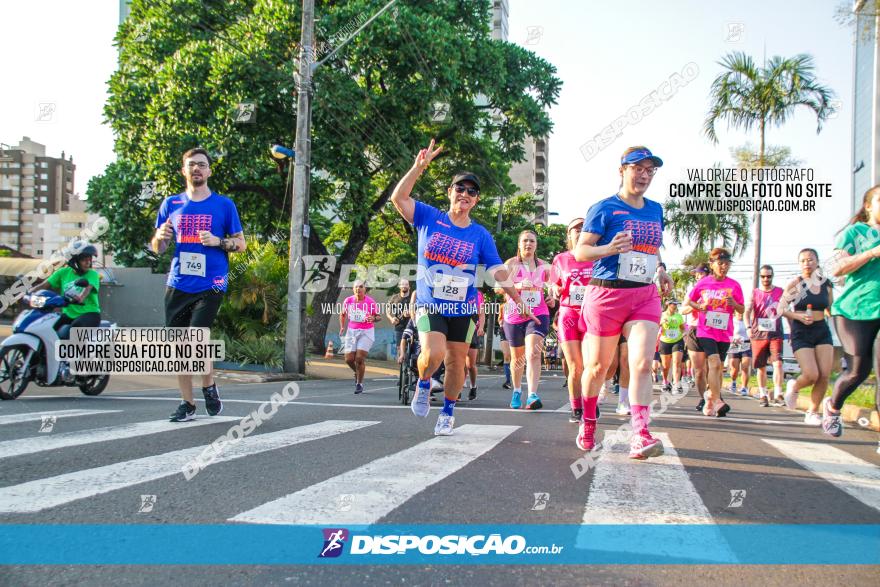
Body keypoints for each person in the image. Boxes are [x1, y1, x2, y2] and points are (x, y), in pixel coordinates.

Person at [389, 140, 537, 436]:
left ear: (476, 200)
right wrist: (418, 168)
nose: (465, 194)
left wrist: (518, 301)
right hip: (430, 303)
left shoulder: (480, 235)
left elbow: (498, 271)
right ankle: (422, 382)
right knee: (432, 354)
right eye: (460, 189)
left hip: (463, 308)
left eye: (472, 191)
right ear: (450, 193)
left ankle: (447, 412)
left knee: (457, 361)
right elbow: (398, 198)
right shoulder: (429, 217)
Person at [573, 146, 673, 459]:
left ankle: (640, 434)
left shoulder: (655, 209)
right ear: (622, 170)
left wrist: (661, 269)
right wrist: (608, 248)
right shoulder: (604, 208)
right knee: (599, 367)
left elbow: (652, 247)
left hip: (644, 295)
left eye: (649, 170)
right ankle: (588, 421)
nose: (644, 174)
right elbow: (581, 252)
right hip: (606, 295)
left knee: (642, 363)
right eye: (637, 168)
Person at [151, 148, 246, 422]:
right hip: (179, 282)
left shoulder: (224, 205)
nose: (197, 169)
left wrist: (219, 242)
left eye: (202, 165)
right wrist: (160, 237)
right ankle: (188, 403)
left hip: (212, 281)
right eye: (191, 165)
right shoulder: (171, 204)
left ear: (209, 171)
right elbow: (158, 248)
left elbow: (241, 244)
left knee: (196, 338)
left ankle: (207, 386)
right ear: (184, 170)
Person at [823, 185, 880, 437]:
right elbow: (836, 268)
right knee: (858, 370)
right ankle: (833, 407)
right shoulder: (856, 232)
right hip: (854, 312)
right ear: (868, 205)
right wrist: (871, 252)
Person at [686, 248, 744, 418]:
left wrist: (734, 303)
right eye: (720, 264)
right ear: (712, 264)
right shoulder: (703, 283)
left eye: (727, 264)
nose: (724, 267)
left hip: (725, 332)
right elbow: (691, 300)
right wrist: (699, 306)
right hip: (706, 330)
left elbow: (742, 308)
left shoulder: (734, 285)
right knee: (715, 362)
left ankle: (710, 400)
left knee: (718, 370)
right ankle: (718, 400)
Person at [501, 230, 554, 410]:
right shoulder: (511, 264)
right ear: (519, 244)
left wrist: (552, 296)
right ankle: (517, 390)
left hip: (538, 313)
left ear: (536, 245)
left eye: (532, 241)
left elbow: (553, 286)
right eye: (524, 241)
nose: (528, 244)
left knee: (533, 352)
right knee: (518, 357)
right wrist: (516, 285)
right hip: (514, 315)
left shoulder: (544, 266)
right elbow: (497, 288)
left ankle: (532, 394)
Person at [781, 249, 834, 425]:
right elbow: (781, 309)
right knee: (812, 374)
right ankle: (794, 386)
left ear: (817, 262)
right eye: (803, 260)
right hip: (800, 331)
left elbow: (830, 309)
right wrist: (797, 316)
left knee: (824, 374)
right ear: (799, 264)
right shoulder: (796, 284)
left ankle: (812, 412)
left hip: (822, 330)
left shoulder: (827, 284)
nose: (807, 263)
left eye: (810, 259)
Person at [551, 217, 593, 422]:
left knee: (594, 365)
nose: (579, 231)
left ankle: (590, 401)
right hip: (569, 313)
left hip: (593, 314)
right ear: (569, 235)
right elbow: (552, 284)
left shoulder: (598, 256)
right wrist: (554, 289)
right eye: (575, 228)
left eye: (583, 228)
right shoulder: (560, 259)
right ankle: (577, 407)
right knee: (575, 366)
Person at [745, 265, 785, 407]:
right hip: (758, 335)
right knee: (761, 367)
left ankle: (779, 393)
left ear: (772, 276)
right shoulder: (754, 293)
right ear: (760, 277)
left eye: (769, 276)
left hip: (776, 333)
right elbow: (747, 311)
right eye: (763, 276)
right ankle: (763, 395)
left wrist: (793, 332)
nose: (766, 279)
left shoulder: (780, 292)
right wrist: (748, 327)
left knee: (778, 363)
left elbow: (787, 312)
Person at [340, 280, 381, 394]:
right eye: (356, 287)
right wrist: (342, 327)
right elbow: (343, 314)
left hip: (366, 332)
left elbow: (378, 317)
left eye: (361, 287)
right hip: (351, 331)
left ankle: (359, 383)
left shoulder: (370, 302)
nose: (358, 289)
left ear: (365, 289)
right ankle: (358, 373)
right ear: (353, 289)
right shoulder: (348, 301)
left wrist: (373, 318)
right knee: (348, 359)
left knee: (359, 359)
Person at [682, 264, 710, 410]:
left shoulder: (716, 289)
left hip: (712, 329)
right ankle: (703, 397)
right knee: (699, 370)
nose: (698, 276)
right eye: (697, 274)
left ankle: (715, 395)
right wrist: (696, 306)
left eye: (701, 274)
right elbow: (683, 309)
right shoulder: (692, 290)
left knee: (713, 366)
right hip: (695, 329)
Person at [658, 300, 685, 394]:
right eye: (674, 304)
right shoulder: (662, 315)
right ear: (668, 305)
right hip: (665, 341)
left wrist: (680, 334)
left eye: (676, 304)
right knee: (666, 366)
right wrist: (661, 325)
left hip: (677, 341)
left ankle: (676, 383)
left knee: (677, 362)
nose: (675, 306)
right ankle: (666, 382)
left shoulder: (679, 316)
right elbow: (657, 326)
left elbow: (682, 327)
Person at [464, 289, 486, 400]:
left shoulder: (477, 294)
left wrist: (481, 327)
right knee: (457, 361)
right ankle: (457, 389)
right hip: (459, 329)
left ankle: (473, 386)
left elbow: (481, 313)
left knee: (470, 365)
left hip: (473, 330)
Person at [728, 310, 752, 397]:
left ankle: (744, 387)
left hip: (746, 343)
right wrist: (732, 339)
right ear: (735, 313)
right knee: (734, 368)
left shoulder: (748, 321)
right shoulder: (732, 320)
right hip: (735, 343)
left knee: (745, 366)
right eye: (739, 313)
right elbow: (728, 332)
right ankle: (733, 381)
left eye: (742, 313)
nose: (741, 314)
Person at [387, 279, 412, 351]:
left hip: (411, 327)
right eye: (402, 284)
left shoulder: (413, 298)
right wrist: (391, 319)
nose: (404, 286)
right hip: (399, 327)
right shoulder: (394, 298)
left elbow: (419, 310)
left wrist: (410, 313)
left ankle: (409, 361)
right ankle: (402, 361)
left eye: (406, 284)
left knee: (410, 349)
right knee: (399, 349)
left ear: (409, 287)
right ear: (399, 286)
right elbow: (388, 311)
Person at [498, 305, 513, 389]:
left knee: (514, 357)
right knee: (506, 356)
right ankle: (508, 381)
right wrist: (501, 322)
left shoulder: (519, 304)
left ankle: (515, 378)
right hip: (504, 330)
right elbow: (500, 318)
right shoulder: (503, 306)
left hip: (515, 330)